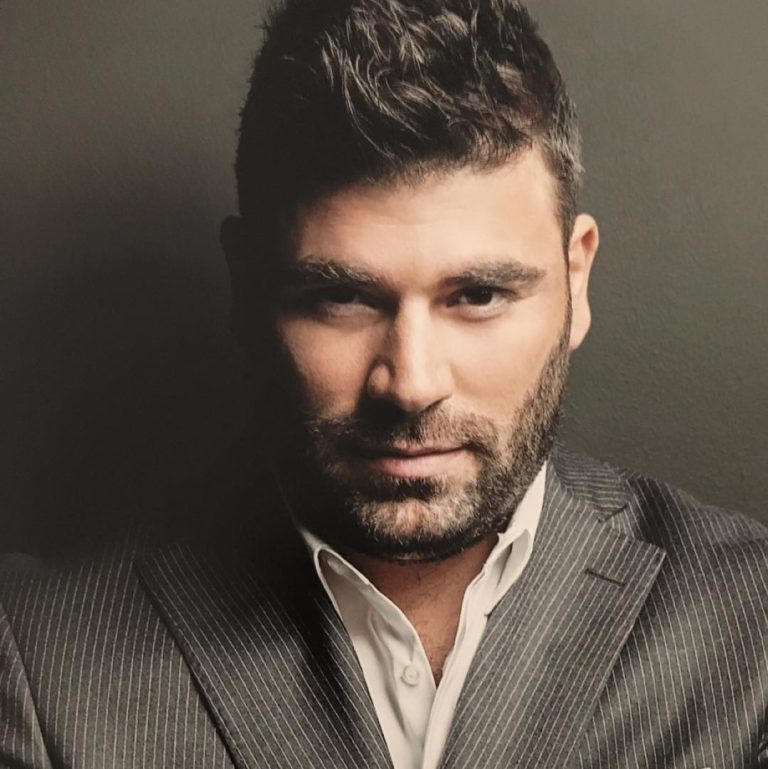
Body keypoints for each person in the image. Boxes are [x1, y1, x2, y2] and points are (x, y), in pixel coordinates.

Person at [1, 1, 767, 767]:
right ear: (247, 285)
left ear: (576, 278)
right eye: (341, 297)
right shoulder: (44, 659)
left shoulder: (751, 624)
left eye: (478, 295)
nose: (410, 384)